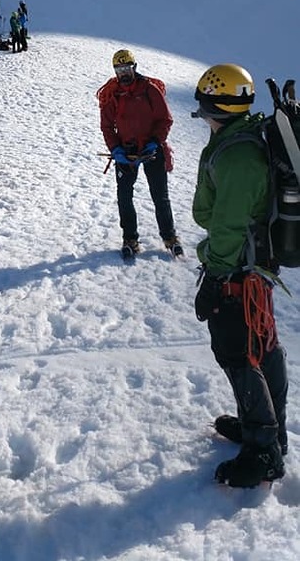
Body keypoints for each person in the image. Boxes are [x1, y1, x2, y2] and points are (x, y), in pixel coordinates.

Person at [192, 63, 287, 488]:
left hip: (238, 271)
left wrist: (213, 278)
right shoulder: (241, 138)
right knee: (261, 346)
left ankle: (264, 450)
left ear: (217, 108)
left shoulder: (237, 158)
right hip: (252, 266)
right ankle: (267, 431)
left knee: (238, 352)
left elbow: (228, 226)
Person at [98, 48, 182, 258]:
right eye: (119, 69)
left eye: (127, 68)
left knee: (160, 196)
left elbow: (165, 119)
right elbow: (107, 127)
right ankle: (130, 238)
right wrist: (115, 149)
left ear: (134, 67)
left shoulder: (150, 89)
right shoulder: (112, 94)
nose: (123, 73)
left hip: (151, 149)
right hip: (126, 152)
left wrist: (155, 142)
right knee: (124, 197)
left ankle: (169, 236)